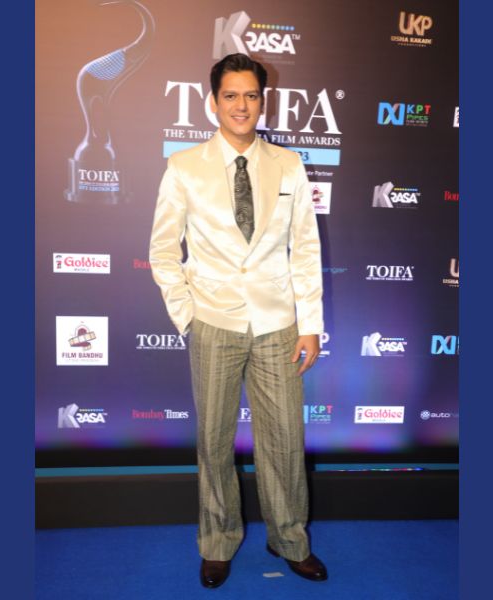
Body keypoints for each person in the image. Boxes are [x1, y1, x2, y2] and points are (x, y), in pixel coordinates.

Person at [149, 53, 327, 588]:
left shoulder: (288, 164)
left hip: (277, 323)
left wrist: (310, 323)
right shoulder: (184, 166)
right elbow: (163, 251)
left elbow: (305, 249)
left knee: (285, 440)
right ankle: (218, 541)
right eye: (231, 95)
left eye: (251, 95)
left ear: (262, 101)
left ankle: (290, 538)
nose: (241, 106)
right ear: (213, 102)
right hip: (213, 322)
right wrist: (187, 316)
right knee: (214, 441)